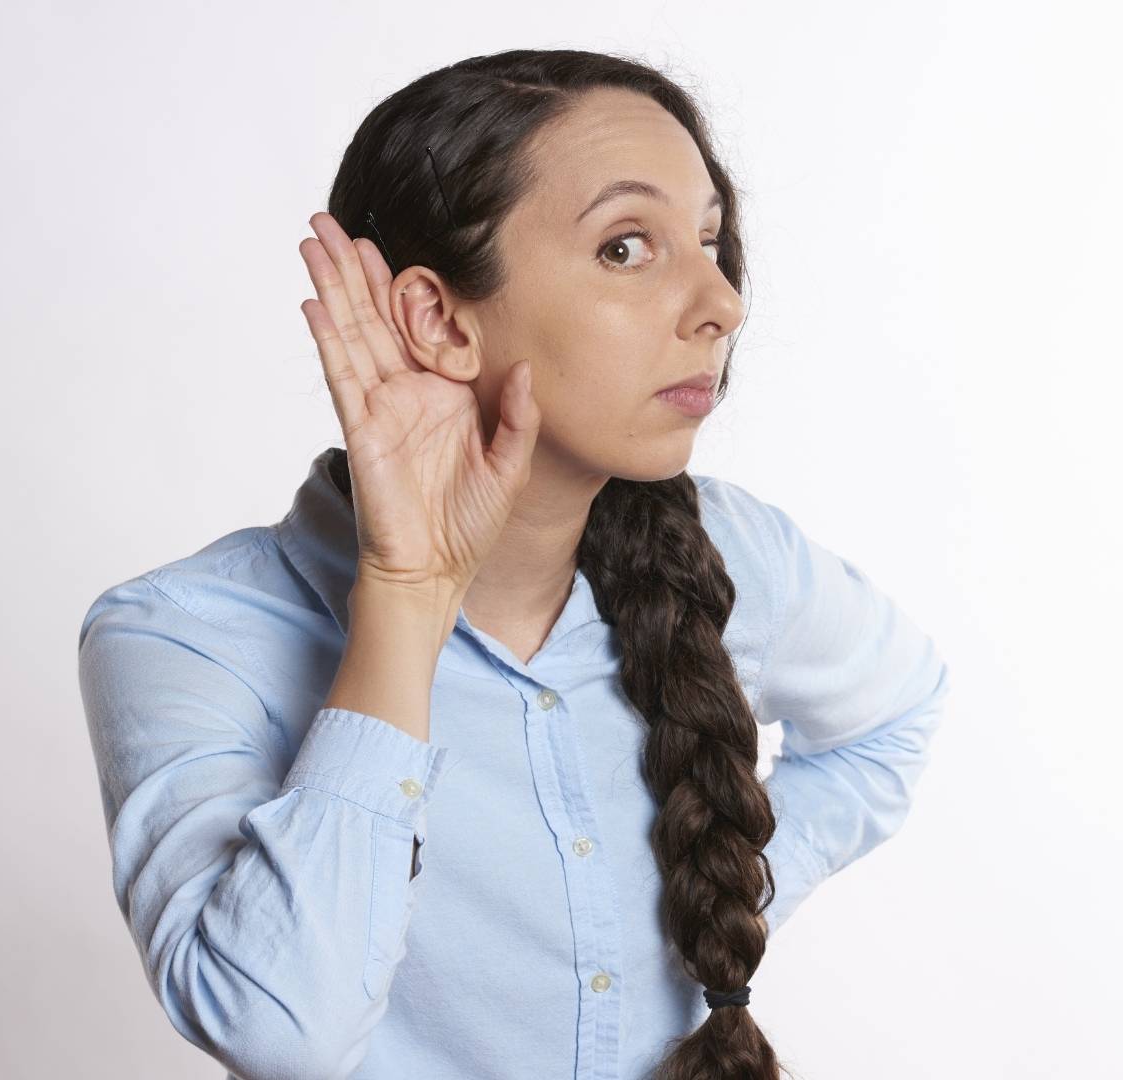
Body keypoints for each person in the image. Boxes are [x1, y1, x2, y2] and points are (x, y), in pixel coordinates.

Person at [77, 48, 951, 1080]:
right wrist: (407, 597)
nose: (722, 300)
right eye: (628, 247)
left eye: (709, 239)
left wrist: (700, 903)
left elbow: (896, 715)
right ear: (442, 320)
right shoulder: (186, 634)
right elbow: (280, 1033)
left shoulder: (735, 558)